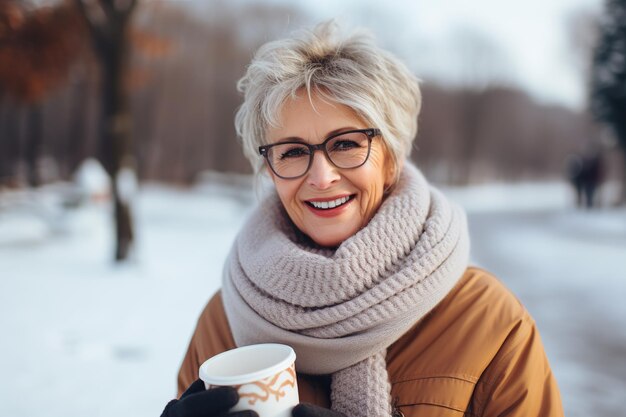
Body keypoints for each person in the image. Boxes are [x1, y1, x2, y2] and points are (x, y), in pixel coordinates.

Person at [161, 22, 564, 417]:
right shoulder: (224, 319)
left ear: (391, 158)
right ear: (269, 168)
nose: (321, 177)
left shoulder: (486, 320)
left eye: (347, 144)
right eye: (293, 151)